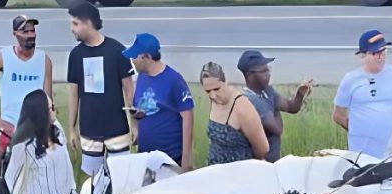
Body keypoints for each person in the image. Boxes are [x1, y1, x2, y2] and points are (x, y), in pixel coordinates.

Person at [0, 15, 53, 181]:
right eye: (25, 31)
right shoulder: (4, 57)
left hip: (35, 126)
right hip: (9, 126)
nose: (31, 35)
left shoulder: (44, 60)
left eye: (33, 31)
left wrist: (50, 118)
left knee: (48, 163)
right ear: (15, 34)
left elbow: (48, 98)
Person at [67, 1, 135, 179]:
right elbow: (73, 94)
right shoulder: (75, 55)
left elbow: (129, 89)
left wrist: (135, 124)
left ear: (88, 23)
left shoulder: (117, 50)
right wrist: (71, 129)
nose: (71, 28)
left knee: (122, 180)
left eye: (75, 23)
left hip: (117, 130)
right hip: (89, 131)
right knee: (93, 184)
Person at [332, 29, 392, 159]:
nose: (381, 57)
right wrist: (358, 130)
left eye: (384, 51)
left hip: (389, 154)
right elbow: (338, 116)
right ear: (363, 56)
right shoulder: (350, 80)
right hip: (359, 155)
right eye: (376, 53)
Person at [122, 33, 195, 170]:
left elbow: (188, 118)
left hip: (169, 158)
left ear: (147, 57)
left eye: (134, 57)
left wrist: (186, 160)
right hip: (146, 157)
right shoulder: (142, 77)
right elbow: (144, 105)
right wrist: (137, 127)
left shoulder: (174, 80)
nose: (132, 60)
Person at [237, 50, 313, 163]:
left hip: (271, 162)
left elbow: (291, 107)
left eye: (268, 69)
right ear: (250, 74)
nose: (269, 74)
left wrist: (300, 94)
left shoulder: (267, 91)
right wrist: (275, 108)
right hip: (257, 165)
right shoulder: (251, 100)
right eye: (264, 71)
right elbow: (277, 129)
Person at [200, 62, 268, 165]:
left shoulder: (242, 107)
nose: (213, 95)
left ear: (225, 82)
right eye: (208, 91)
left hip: (238, 173)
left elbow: (262, 149)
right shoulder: (213, 100)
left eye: (217, 89)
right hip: (214, 171)